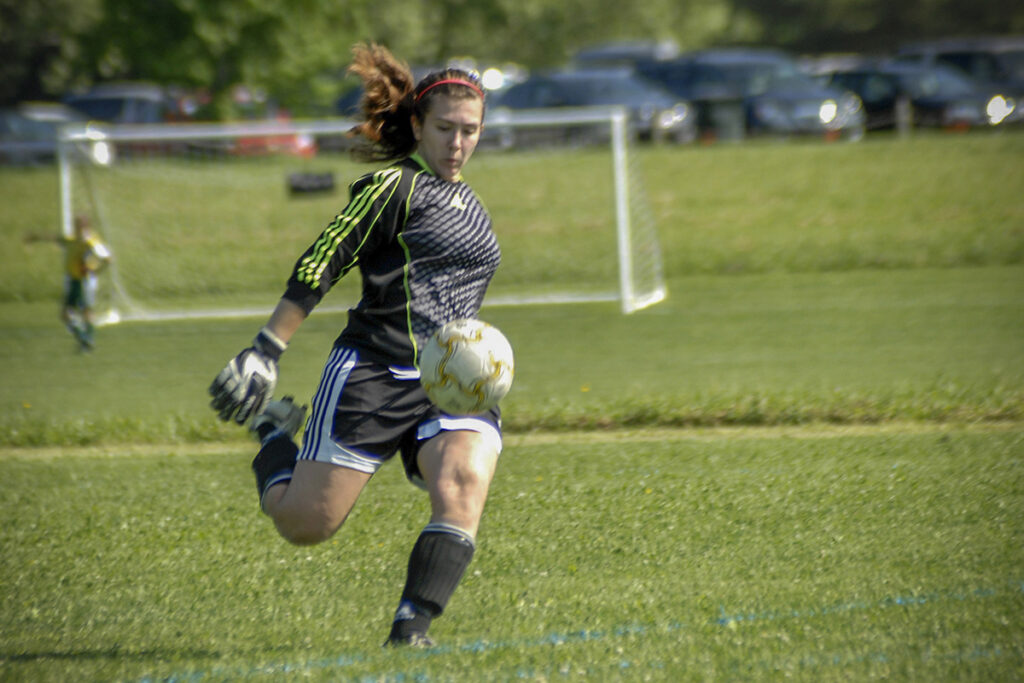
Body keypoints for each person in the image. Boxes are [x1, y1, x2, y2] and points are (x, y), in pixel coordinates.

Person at [208, 43, 502, 648]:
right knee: (306, 525)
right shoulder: (392, 188)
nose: (456, 143)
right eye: (444, 129)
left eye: (469, 131)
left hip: (449, 383)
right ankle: (272, 434)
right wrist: (266, 347)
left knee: (464, 482)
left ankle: (411, 631)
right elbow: (323, 260)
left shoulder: (470, 204)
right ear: (418, 125)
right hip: (373, 373)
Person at [25, 214, 112, 351]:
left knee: (84, 311)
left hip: (85, 281)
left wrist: (95, 271)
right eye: (75, 224)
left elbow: (108, 259)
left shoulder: (91, 242)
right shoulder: (72, 240)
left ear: (85, 226)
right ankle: (85, 339)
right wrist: (36, 237)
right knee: (66, 314)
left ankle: (86, 339)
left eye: (78, 224)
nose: (75, 227)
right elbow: (56, 238)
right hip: (73, 280)